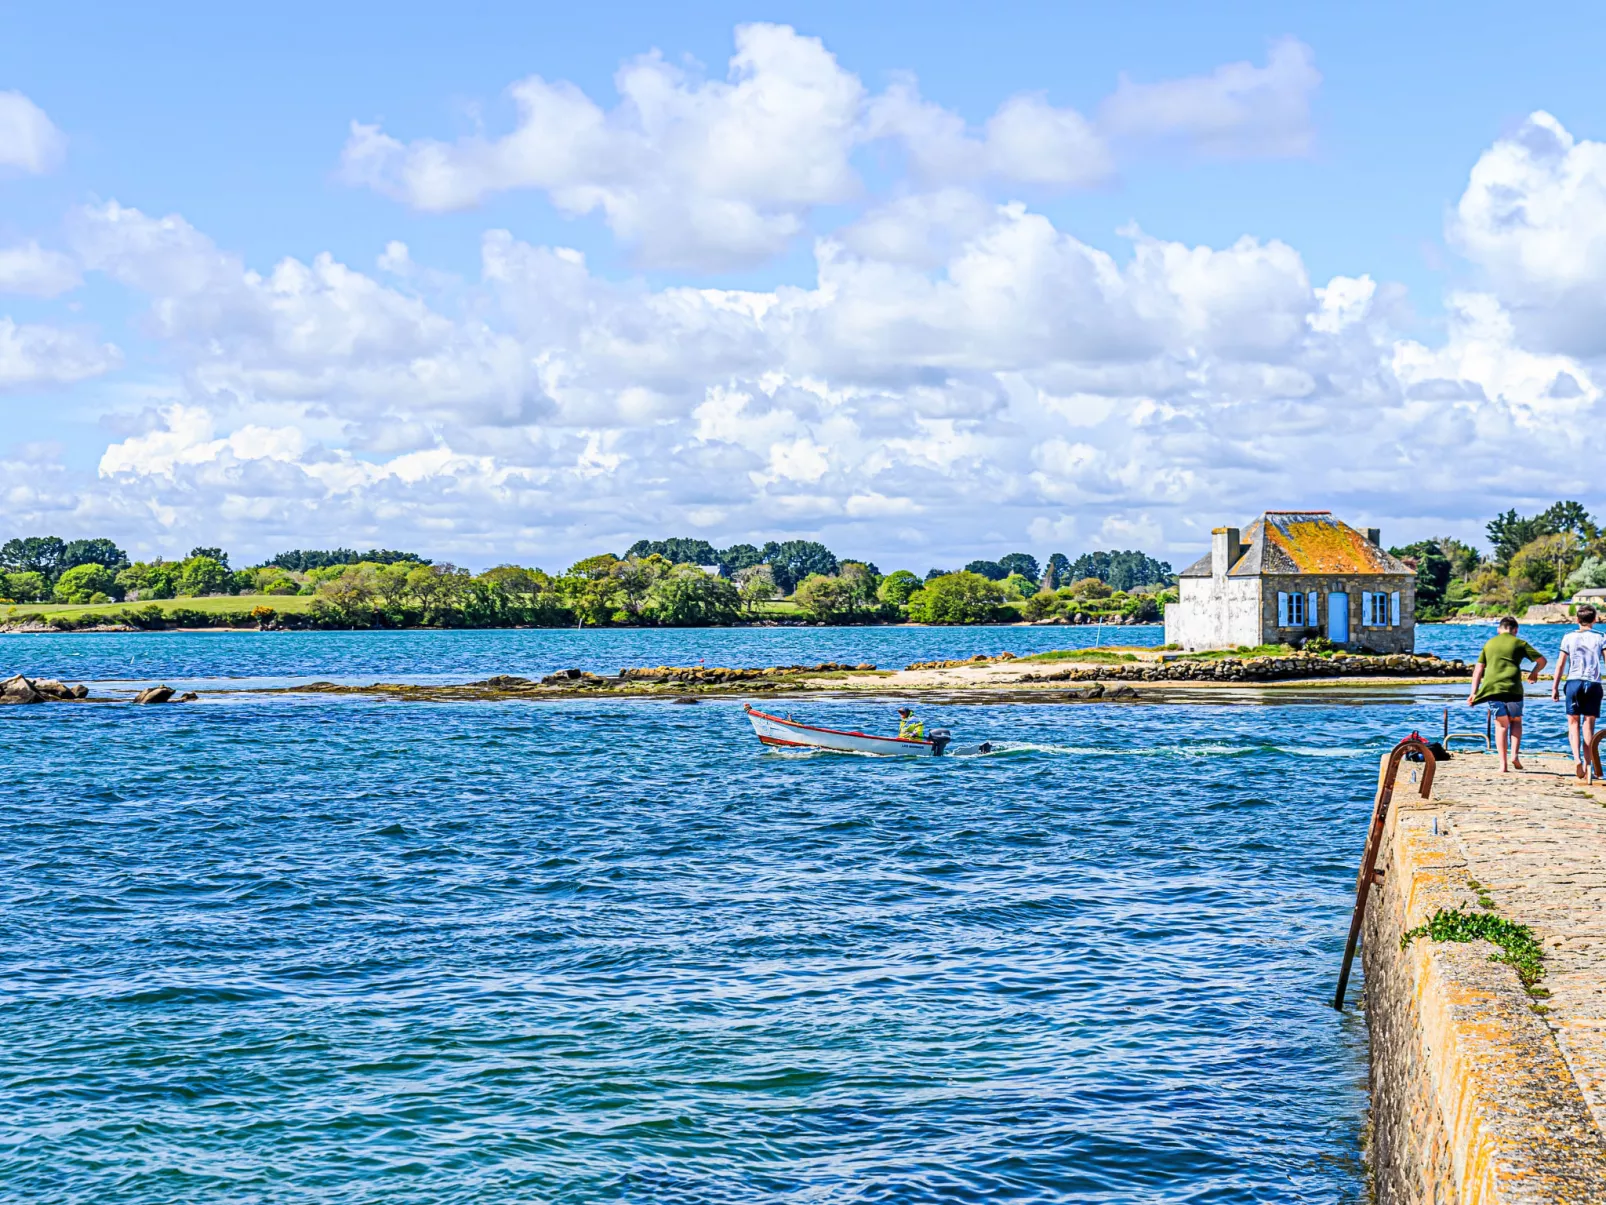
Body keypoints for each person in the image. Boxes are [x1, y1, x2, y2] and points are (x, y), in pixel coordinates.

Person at [1467, 616, 1546, 773]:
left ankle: (1502, 765)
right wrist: (1534, 673)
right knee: (1516, 721)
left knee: (1501, 725)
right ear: (1515, 630)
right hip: (1513, 688)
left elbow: (1478, 669)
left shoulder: (1489, 644)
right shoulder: (1520, 643)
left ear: (1499, 629)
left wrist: (1473, 692)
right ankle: (1515, 756)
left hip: (1492, 688)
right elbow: (1542, 661)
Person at [1552, 604, 1606, 777]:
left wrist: (1555, 687)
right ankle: (1589, 764)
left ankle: (1577, 759)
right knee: (1588, 725)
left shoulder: (1568, 637)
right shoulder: (1601, 637)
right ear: (1595, 620)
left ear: (1577, 620)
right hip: (1593, 683)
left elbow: (1560, 664)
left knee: (1573, 723)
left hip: (1573, 682)